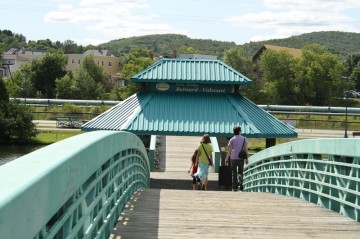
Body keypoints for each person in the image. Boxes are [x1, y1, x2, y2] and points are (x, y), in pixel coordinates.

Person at [225, 126, 249, 192]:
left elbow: (229, 151)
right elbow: (246, 149)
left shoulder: (232, 139)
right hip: (241, 158)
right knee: (240, 172)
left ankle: (234, 188)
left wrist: (226, 158)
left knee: (234, 173)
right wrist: (247, 159)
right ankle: (240, 183)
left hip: (233, 158)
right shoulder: (244, 138)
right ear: (239, 131)